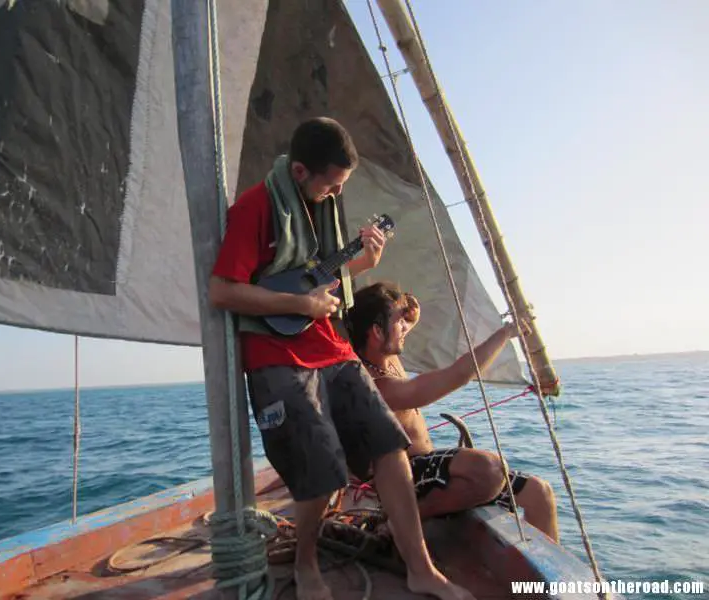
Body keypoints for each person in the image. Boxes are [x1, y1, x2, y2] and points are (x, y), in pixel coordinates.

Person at [209, 118, 474, 600]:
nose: (334, 194)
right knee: (320, 465)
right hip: (277, 356)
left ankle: (421, 568)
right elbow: (223, 290)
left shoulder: (325, 207)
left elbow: (319, 278)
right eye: (330, 184)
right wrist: (299, 306)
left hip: (332, 349)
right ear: (299, 171)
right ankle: (307, 562)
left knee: (389, 445)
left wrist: (364, 264)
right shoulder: (256, 209)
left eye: (341, 186)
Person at [346, 281, 560, 543]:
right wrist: (506, 332)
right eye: (398, 322)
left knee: (541, 493)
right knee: (490, 471)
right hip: (406, 476)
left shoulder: (385, 358)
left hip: (429, 468)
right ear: (377, 332)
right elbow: (457, 374)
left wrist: (407, 319)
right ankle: (404, 519)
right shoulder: (377, 386)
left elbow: (393, 329)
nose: (405, 327)